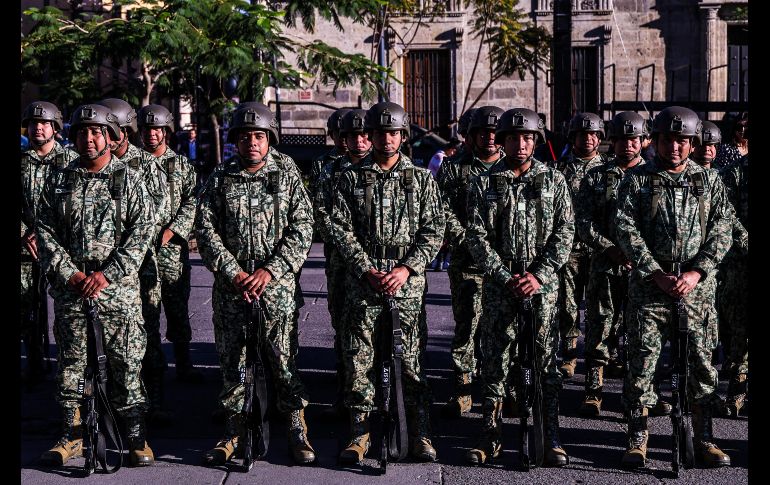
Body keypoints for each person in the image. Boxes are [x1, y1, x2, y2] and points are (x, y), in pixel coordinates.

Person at [195, 101, 317, 466]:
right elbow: (205, 229)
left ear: (270, 139)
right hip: (233, 288)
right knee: (233, 362)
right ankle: (234, 430)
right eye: (245, 137)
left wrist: (271, 270)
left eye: (259, 136)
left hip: (275, 288)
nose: (252, 143)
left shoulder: (286, 172)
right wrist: (233, 272)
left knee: (283, 361)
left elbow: (303, 225)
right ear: (236, 140)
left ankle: (296, 428)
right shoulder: (221, 176)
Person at [36, 103, 156, 466]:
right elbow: (45, 231)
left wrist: (107, 274)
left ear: (110, 136)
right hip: (73, 290)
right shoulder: (59, 180)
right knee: (71, 364)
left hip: (116, 292)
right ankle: (71, 434)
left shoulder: (129, 178)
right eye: (81, 132)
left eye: (96, 132)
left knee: (126, 363)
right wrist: (71, 273)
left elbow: (142, 233)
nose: (88, 139)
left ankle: (135, 435)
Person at [615, 106, 732, 468]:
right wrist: (655, 272)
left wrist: (697, 272)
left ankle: (704, 437)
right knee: (642, 365)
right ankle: (638, 438)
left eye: (682, 141)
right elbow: (625, 228)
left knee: (702, 366)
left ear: (693, 143)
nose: (675, 147)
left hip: (696, 291)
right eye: (668, 140)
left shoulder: (709, 181)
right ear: (656, 141)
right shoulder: (637, 180)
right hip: (650, 290)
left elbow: (722, 230)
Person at [331, 101, 444, 465]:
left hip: (405, 285)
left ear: (402, 135)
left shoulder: (421, 179)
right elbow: (339, 228)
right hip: (363, 283)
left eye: (393, 132)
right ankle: (359, 433)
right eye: (380, 132)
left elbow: (434, 229)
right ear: (371, 135)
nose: (386, 139)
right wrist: (365, 268)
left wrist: (407, 269)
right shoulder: (349, 178)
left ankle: (420, 432)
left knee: (409, 360)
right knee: (359, 359)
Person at [464, 107, 573, 467]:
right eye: (513, 138)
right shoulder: (484, 182)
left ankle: (550, 434)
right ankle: (490, 435)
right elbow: (476, 235)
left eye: (527, 138)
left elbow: (565, 232)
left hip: (542, 287)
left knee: (545, 362)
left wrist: (539, 275)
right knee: (495, 361)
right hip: (501, 286)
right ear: (503, 141)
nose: (521, 144)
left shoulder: (554, 180)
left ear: (536, 141)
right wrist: (502, 274)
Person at [576, 111, 669, 418]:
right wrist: (610, 249)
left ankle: (644, 392)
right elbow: (583, 222)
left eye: (634, 139)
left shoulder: (655, 177)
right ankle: (594, 389)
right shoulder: (595, 177)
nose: (628, 145)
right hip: (605, 265)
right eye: (622, 140)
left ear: (644, 142)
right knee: (600, 325)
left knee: (643, 333)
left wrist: (642, 257)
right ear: (612, 142)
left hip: (644, 270)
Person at [436, 106, 504, 418]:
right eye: (483, 132)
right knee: (467, 324)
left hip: (503, 263)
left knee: (501, 327)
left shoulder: (511, 167)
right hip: (467, 260)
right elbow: (443, 209)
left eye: (494, 132)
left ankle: (500, 387)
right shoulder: (454, 168)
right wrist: (468, 242)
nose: (489, 137)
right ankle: (463, 387)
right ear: (471, 135)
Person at [312, 108, 371, 419]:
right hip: (341, 259)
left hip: (378, 263)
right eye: (351, 136)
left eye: (364, 135)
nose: (359, 142)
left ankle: (374, 393)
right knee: (344, 325)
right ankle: (345, 388)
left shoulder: (383, 167)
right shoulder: (330, 168)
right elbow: (322, 212)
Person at [138, 104, 202, 383]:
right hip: (141, 251)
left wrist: (173, 230)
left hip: (173, 251)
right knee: (146, 310)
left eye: (156, 129)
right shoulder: (131, 164)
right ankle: (151, 366)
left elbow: (193, 200)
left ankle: (184, 363)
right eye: (146, 129)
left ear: (166, 131)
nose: (151, 134)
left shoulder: (182, 165)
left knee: (177, 309)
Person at [21, 101, 78, 386]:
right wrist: (24, 232)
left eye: (44, 123)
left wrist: (49, 235)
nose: (38, 128)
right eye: (33, 123)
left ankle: (70, 369)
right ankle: (35, 363)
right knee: (27, 309)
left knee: (68, 311)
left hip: (62, 248)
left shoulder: (71, 161)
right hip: (27, 249)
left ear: (55, 127)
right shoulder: (22, 162)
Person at [554, 112, 607, 378]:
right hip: (569, 249)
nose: (587, 139)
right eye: (582, 135)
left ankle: (599, 361)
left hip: (599, 250)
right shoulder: (559, 170)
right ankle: (569, 354)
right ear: (573, 138)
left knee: (599, 309)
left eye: (593, 134)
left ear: (599, 138)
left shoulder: (608, 170)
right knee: (568, 305)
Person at [310, 108, 351, 199]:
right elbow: (315, 194)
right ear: (332, 135)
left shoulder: (365, 160)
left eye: (346, 133)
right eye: (338, 133)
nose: (343, 138)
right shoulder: (321, 162)